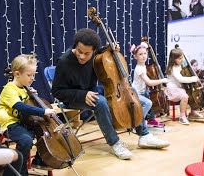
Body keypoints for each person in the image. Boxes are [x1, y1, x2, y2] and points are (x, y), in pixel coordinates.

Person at [51, 28, 170, 160]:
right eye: (79, 51)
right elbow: (57, 91)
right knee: (100, 102)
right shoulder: (64, 61)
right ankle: (115, 142)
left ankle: (144, 135)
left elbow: (102, 50)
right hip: (73, 96)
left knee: (134, 95)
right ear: (75, 46)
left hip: (91, 90)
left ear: (93, 51)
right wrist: (82, 95)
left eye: (87, 53)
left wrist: (110, 48)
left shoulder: (95, 54)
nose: (82, 56)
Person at [0, 54, 57, 175]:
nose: (32, 78)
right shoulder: (9, 89)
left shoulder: (25, 88)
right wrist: (43, 111)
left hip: (24, 123)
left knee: (43, 132)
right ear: (17, 74)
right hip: (11, 124)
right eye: (29, 75)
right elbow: (20, 106)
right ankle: (16, 172)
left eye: (34, 75)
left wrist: (32, 95)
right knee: (25, 140)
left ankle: (40, 159)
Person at [130, 42, 168, 128]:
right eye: (140, 54)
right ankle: (137, 123)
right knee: (148, 103)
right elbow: (149, 82)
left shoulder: (143, 66)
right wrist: (162, 80)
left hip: (142, 92)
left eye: (145, 53)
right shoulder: (139, 69)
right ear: (135, 57)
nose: (143, 56)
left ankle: (151, 120)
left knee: (150, 99)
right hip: (135, 93)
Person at [164, 45, 203, 125]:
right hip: (173, 89)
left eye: (182, 58)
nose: (182, 60)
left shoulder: (179, 66)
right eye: (179, 58)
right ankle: (182, 117)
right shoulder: (172, 68)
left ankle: (192, 112)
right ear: (173, 59)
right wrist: (193, 78)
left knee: (191, 93)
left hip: (180, 87)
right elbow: (180, 79)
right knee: (185, 96)